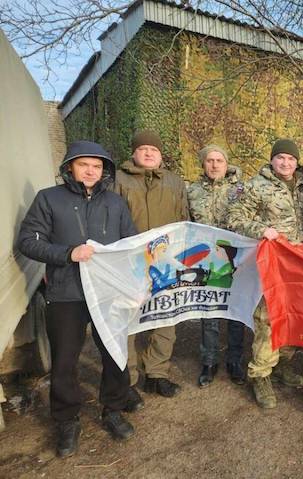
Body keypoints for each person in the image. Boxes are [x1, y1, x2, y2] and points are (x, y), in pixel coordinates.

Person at [18, 141, 138, 457]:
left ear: (104, 171)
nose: (90, 171)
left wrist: (135, 283)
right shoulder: (48, 199)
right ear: (70, 167)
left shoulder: (115, 203)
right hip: (65, 293)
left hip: (107, 292)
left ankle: (112, 409)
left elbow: (131, 245)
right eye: (84, 164)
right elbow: (28, 242)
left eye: (97, 166)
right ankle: (67, 420)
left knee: (115, 354)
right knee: (64, 361)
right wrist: (67, 253)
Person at [227, 138, 303, 409]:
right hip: (271, 264)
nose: (286, 163)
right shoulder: (255, 186)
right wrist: (261, 230)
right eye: (281, 158)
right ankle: (259, 374)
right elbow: (234, 217)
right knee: (269, 318)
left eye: (291, 159)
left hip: (300, 265)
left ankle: (282, 365)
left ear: (297, 162)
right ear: (272, 160)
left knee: (294, 317)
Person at [114, 130, 190, 405]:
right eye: (143, 149)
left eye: (153, 150)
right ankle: (129, 379)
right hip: (130, 264)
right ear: (134, 153)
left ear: (160, 155)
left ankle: (156, 372)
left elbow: (184, 218)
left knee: (165, 317)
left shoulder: (174, 181)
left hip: (165, 262)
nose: (148, 153)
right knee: (130, 321)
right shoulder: (118, 180)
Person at [186, 144, 246, 387]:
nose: (214, 165)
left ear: (226, 163)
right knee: (208, 312)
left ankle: (235, 360)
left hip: (235, 257)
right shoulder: (192, 191)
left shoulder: (240, 189)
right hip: (205, 259)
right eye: (209, 160)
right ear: (203, 163)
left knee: (235, 312)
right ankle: (209, 361)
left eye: (219, 160)